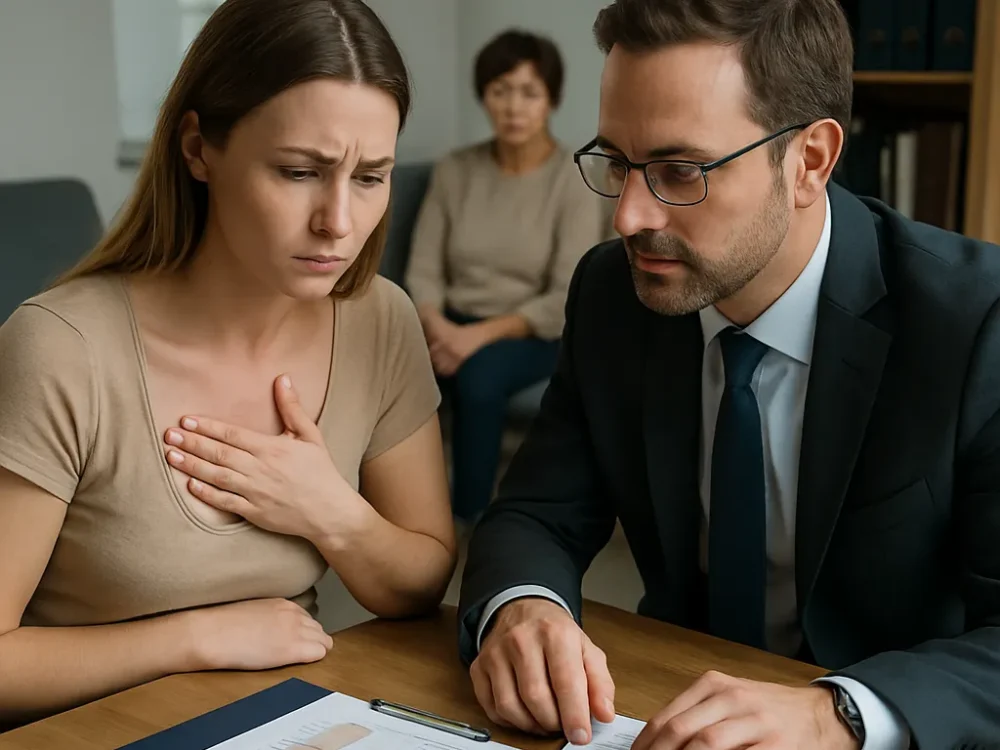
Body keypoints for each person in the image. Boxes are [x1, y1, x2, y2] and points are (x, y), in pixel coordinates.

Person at [458, 0, 1000, 748]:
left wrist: (837, 713)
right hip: (666, 710)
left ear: (810, 160)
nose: (628, 217)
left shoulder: (977, 324)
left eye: (680, 171)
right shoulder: (613, 294)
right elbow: (536, 510)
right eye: (617, 162)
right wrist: (526, 608)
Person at [0, 0, 456, 727]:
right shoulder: (61, 346)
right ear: (197, 147)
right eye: (300, 171)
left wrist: (328, 511)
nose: (338, 222)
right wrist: (191, 638)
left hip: (284, 723)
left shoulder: (380, 320)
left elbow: (420, 582)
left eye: (371, 177)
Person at [404, 29, 607, 524]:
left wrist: (472, 339)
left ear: (551, 99)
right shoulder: (456, 171)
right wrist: (437, 326)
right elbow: (423, 270)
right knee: (393, 366)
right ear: (483, 97)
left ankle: (467, 520)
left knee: (479, 379)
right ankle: (398, 511)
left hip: (533, 330)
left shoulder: (573, 180)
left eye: (529, 92)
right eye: (500, 90)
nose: (514, 106)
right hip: (449, 323)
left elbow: (565, 295)